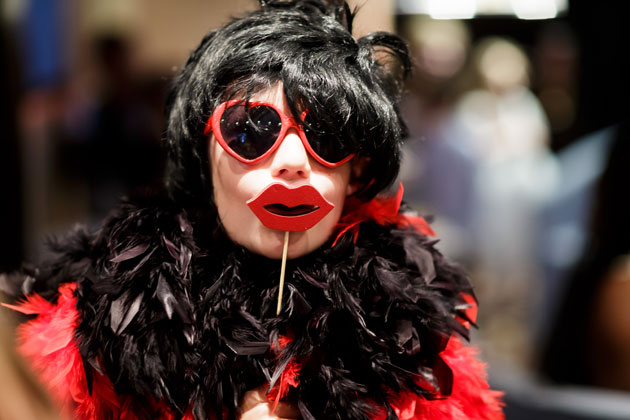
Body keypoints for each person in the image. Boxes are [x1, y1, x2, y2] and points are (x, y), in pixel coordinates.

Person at [2, 1, 504, 419]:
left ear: (357, 169)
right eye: (250, 130)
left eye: (328, 137)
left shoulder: (413, 338)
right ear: (203, 151)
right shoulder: (95, 327)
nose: (292, 162)